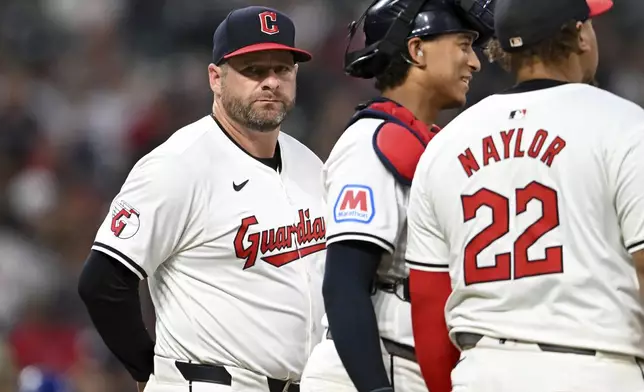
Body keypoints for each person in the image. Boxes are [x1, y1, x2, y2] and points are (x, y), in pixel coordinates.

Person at [78, 6, 326, 392]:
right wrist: (149, 372)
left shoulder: (309, 164)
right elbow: (102, 281)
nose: (271, 82)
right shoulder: (178, 164)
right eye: (254, 70)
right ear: (216, 78)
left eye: (282, 68)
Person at [405, 0, 644, 390]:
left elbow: (430, 302)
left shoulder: (444, 146)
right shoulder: (625, 126)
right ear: (581, 36)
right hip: (596, 369)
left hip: (482, 370)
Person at [299, 1, 495, 392]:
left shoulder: (422, 141)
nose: (474, 62)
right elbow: (343, 284)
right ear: (417, 50)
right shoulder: (372, 143)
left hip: (405, 363)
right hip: (367, 368)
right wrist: (376, 388)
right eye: (463, 44)